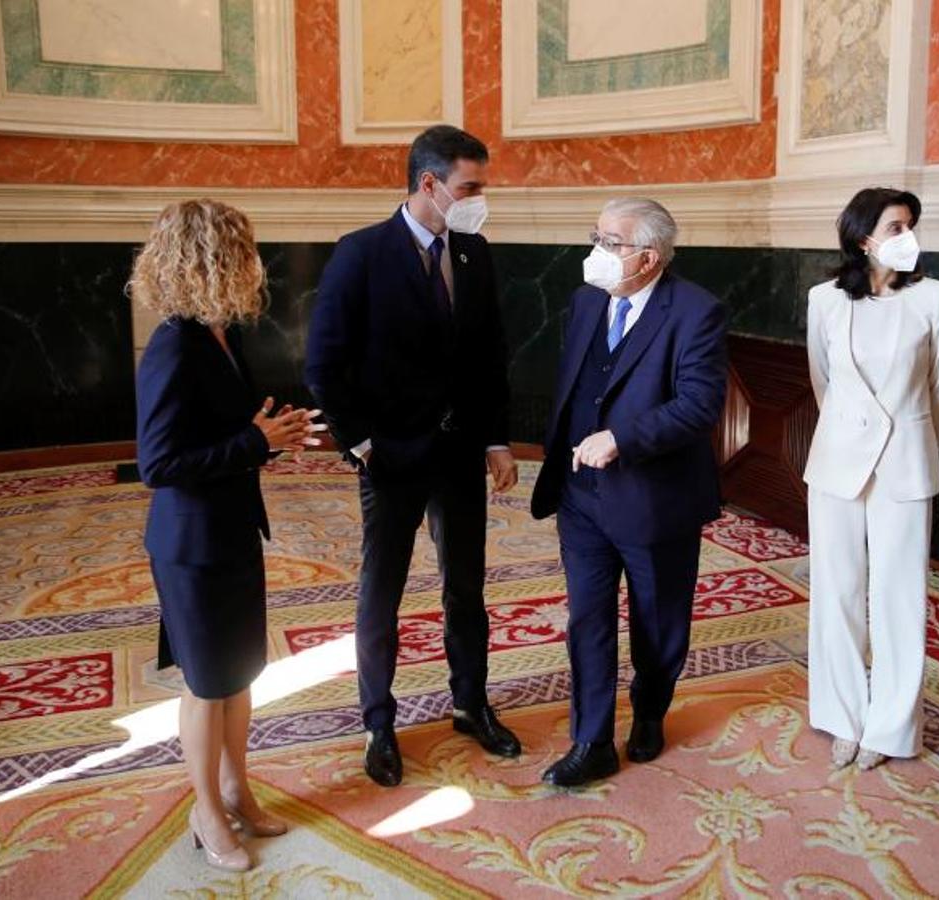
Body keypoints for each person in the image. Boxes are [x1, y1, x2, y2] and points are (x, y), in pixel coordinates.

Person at [305, 125, 520, 788]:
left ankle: (469, 702)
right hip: (391, 455)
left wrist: (494, 438)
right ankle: (378, 721)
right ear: (429, 185)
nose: (479, 199)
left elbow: (489, 357)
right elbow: (322, 363)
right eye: (470, 187)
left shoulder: (475, 255)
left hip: (458, 454)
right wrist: (362, 444)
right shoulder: (361, 254)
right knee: (383, 592)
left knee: (466, 588)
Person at [132, 200, 321, 871]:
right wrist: (251, 441)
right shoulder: (172, 345)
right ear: (211, 257)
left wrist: (273, 437)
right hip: (190, 545)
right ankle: (205, 808)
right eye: (243, 247)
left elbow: (228, 433)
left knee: (241, 674)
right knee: (207, 683)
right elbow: (157, 464)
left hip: (234, 528)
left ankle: (238, 789)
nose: (254, 261)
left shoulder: (221, 334)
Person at [529, 198, 727, 786]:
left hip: (654, 499)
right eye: (595, 236)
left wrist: (623, 438)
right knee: (587, 620)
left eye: (609, 243)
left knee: (657, 622)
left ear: (648, 257)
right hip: (581, 496)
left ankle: (648, 710)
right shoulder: (587, 300)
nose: (597, 252)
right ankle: (590, 740)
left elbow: (698, 406)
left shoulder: (696, 312)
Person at [803, 188, 939, 772]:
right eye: (895, 226)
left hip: (906, 461)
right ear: (862, 236)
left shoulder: (934, 299)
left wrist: (914, 438)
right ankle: (843, 717)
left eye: (911, 225)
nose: (907, 235)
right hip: (838, 459)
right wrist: (852, 429)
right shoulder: (824, 300)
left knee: (899, 596)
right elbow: (823, 382)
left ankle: (892, 726)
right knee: (836, 593)